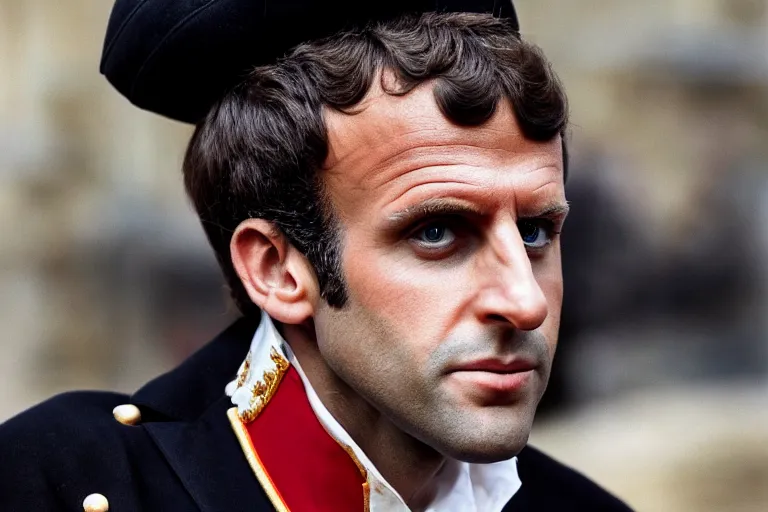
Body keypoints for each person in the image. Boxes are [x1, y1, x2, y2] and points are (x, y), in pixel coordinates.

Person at [0, 1, 633, 510]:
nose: (523, 301)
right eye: (437, 232)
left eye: (534, 232)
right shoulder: (49, 484)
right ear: (277, 269)